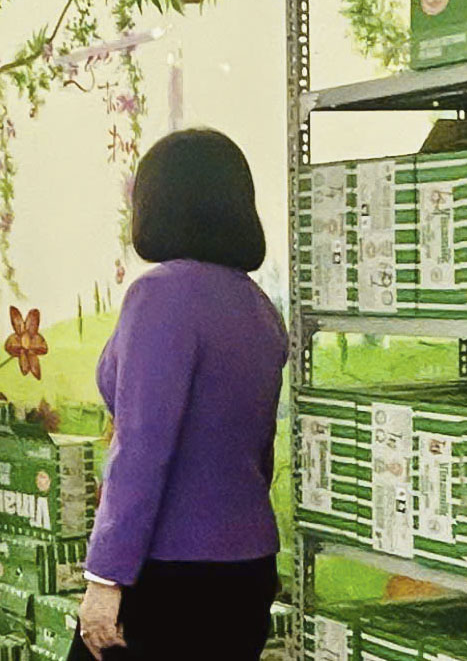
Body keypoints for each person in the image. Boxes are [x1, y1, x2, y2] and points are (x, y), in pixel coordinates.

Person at [72, 129, 287, 661]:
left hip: (168, 570)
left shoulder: (160, 295)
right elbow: (261, 450)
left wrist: (105, 576)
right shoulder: (259, 306)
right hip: (249, 566)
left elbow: (141, 448)